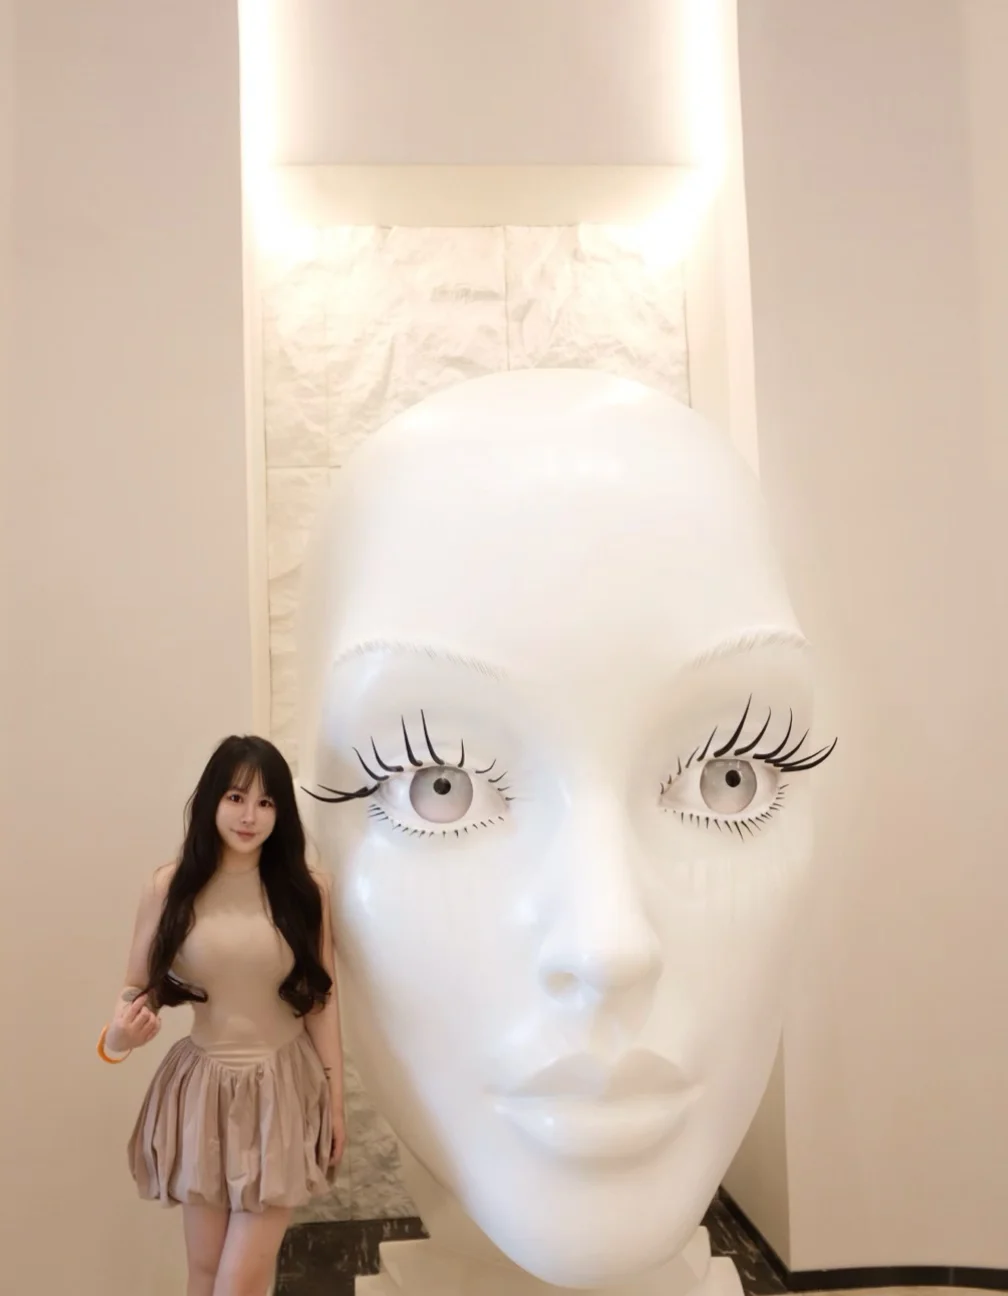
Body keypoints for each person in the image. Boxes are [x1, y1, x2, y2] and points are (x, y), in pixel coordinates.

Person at [97, 734, 346, 1296]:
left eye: (266, 802)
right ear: (212, 799)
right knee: (205, 1273)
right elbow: (137, 988)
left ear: (281, 813)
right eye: (236, 798)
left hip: (283, 1089)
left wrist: (334, 1099)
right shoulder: (168, 887)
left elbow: (321, 1000)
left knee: (238, 1281)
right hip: (202, 1092)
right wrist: (119, 1036)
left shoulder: (308, 892)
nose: (249, 816)